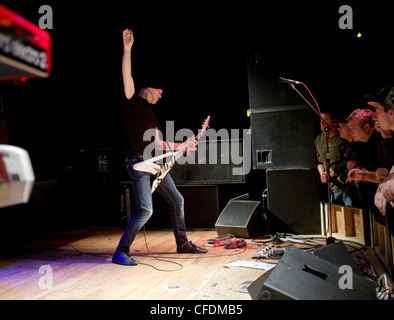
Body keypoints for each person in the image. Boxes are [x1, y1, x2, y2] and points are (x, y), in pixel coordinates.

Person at [112, 29, 207, 266]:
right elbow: (127, 75)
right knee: (146, 211)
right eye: (160, 92)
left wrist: (182, 146)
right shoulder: (133, 103)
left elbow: (157, 144)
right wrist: (127, 48)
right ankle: (120, 251)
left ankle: (183, 244)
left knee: (177, 200)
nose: (161, 96)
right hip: (138, 165)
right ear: (152, 87)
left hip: (154, 164)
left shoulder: (150, 114)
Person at [314, 113, 352, 206]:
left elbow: (351, 160)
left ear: (334, 122)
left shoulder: (342, 137)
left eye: (325, 120)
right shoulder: (318, 140)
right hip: (331, 189)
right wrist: (322, 174)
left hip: (347, 187)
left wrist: (338, 171)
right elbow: (319, 162)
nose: (322, 123)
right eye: (320, 121)